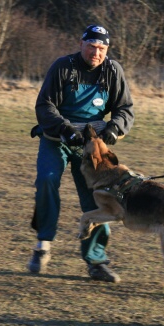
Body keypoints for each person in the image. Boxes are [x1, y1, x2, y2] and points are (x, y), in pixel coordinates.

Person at [27, 25, 134, 283]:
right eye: (91, 46)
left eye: (101, 48)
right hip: (57, 138)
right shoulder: (63, 67)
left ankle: (96, 261)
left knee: (98, 198)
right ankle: (43, 244)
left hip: (92, 145)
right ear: (81, 44)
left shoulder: (113, 71)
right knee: (47, 180)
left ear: (106, 50)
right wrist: (64, 129)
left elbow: (125, 109)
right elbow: (45, 105)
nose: (96, 53)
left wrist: (114, 128)